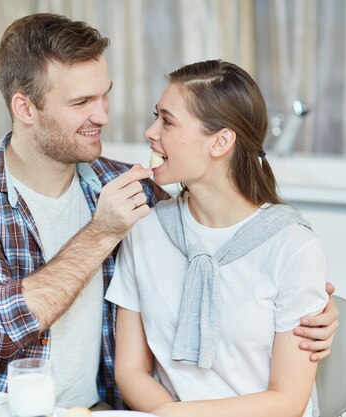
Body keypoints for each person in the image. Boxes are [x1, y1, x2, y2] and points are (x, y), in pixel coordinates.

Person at [0, 14, 338, 410]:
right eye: (82, 101)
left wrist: (315, 312)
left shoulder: (135, 190)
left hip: (98, 409)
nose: (103, 115)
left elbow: (235, 241)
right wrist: (102, 232)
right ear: (25, 108)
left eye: (105, 94)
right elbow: (0, 327)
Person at [106, 60, 330, 417]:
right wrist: (170, 412)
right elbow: (130, 370)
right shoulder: (145, 231)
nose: (150, 132)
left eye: (167, 120)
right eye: (156, 116)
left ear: (221, 141)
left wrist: (182, 415)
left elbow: (288, 401)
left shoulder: (292, 246)